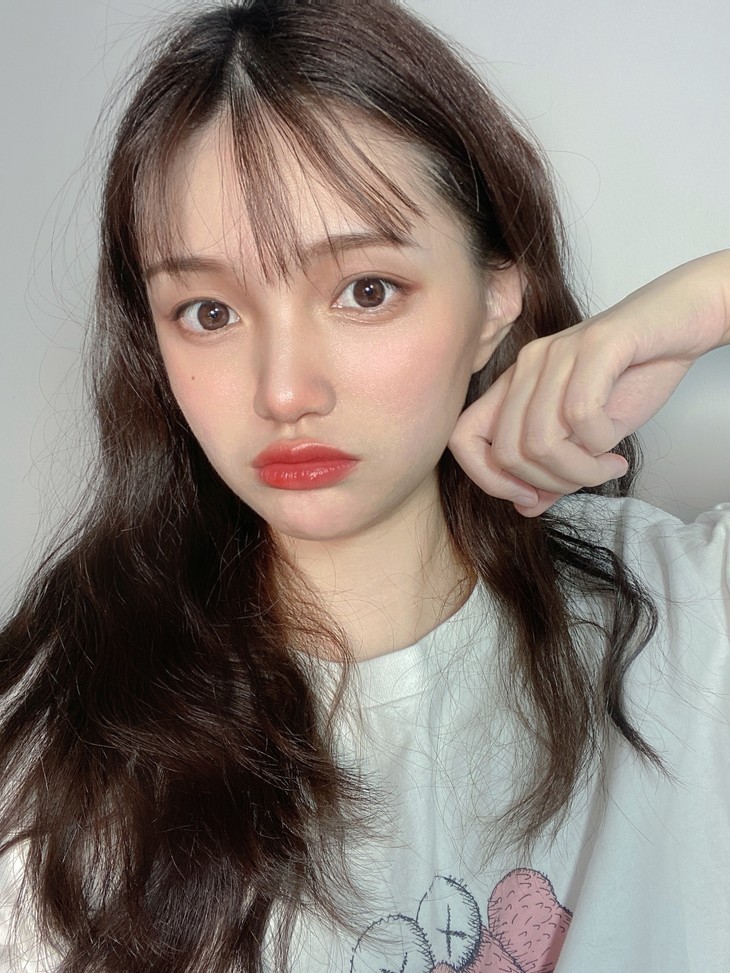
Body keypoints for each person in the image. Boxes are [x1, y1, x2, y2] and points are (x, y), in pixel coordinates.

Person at [0, 1, 727, 971]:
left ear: (494, 299)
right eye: (208, 311)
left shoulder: (688, 618)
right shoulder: (54, 755)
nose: (284, 390)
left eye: (365, 290)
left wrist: (696, 306)